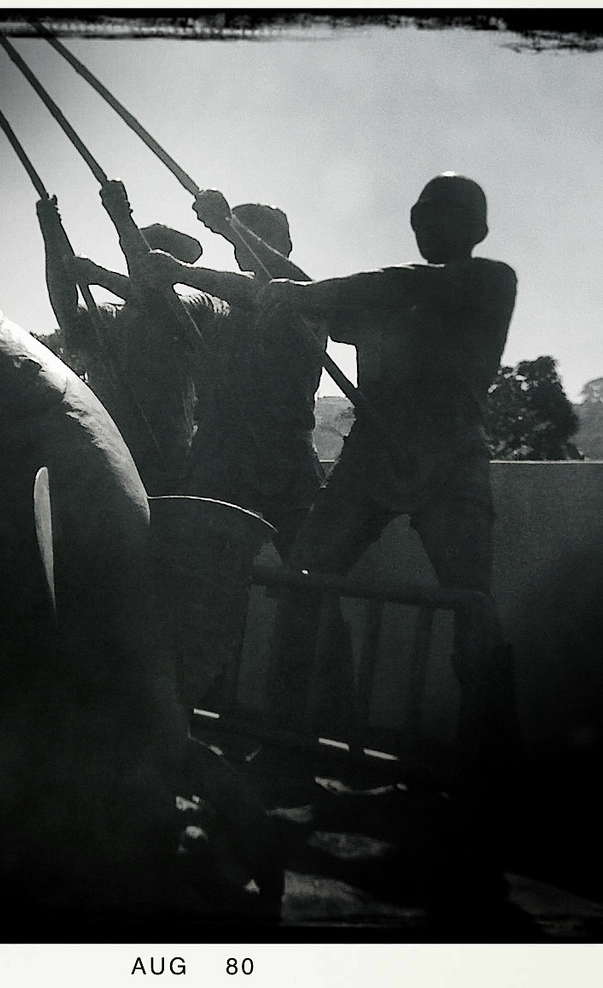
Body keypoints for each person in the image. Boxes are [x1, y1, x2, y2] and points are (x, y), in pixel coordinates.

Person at [255, 173, 520, 777]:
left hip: (451, 456)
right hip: (369, 456)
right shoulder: (380, 301)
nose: (425, 225)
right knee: (302, 581)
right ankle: (284, 738)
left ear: (477, 229)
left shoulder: (489, 280)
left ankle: (494, 769)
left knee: (472, 606)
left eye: (440, 215)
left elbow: (376, 286)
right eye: (420, 216)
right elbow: (307, 292)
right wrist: (233, 233)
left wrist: (301, 293)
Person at [141, 190, 326, 560]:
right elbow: (155, 304)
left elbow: (265, 293)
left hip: (284, 451)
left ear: (286, 245)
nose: (245, 240)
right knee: (186, 557)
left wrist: (227, 229)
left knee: (310, 563)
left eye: (258, 233)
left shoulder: (307, 296)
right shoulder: (219, 305)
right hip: (218, 450)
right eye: (246, 231)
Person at [36, 182, 219, 496]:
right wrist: (52, 233)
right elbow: (66, 311)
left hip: (169, 457)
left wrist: (103, 266)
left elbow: (157, 305)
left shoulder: (195, 308)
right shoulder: (108, 316)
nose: (138, 262)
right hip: (110, 453)